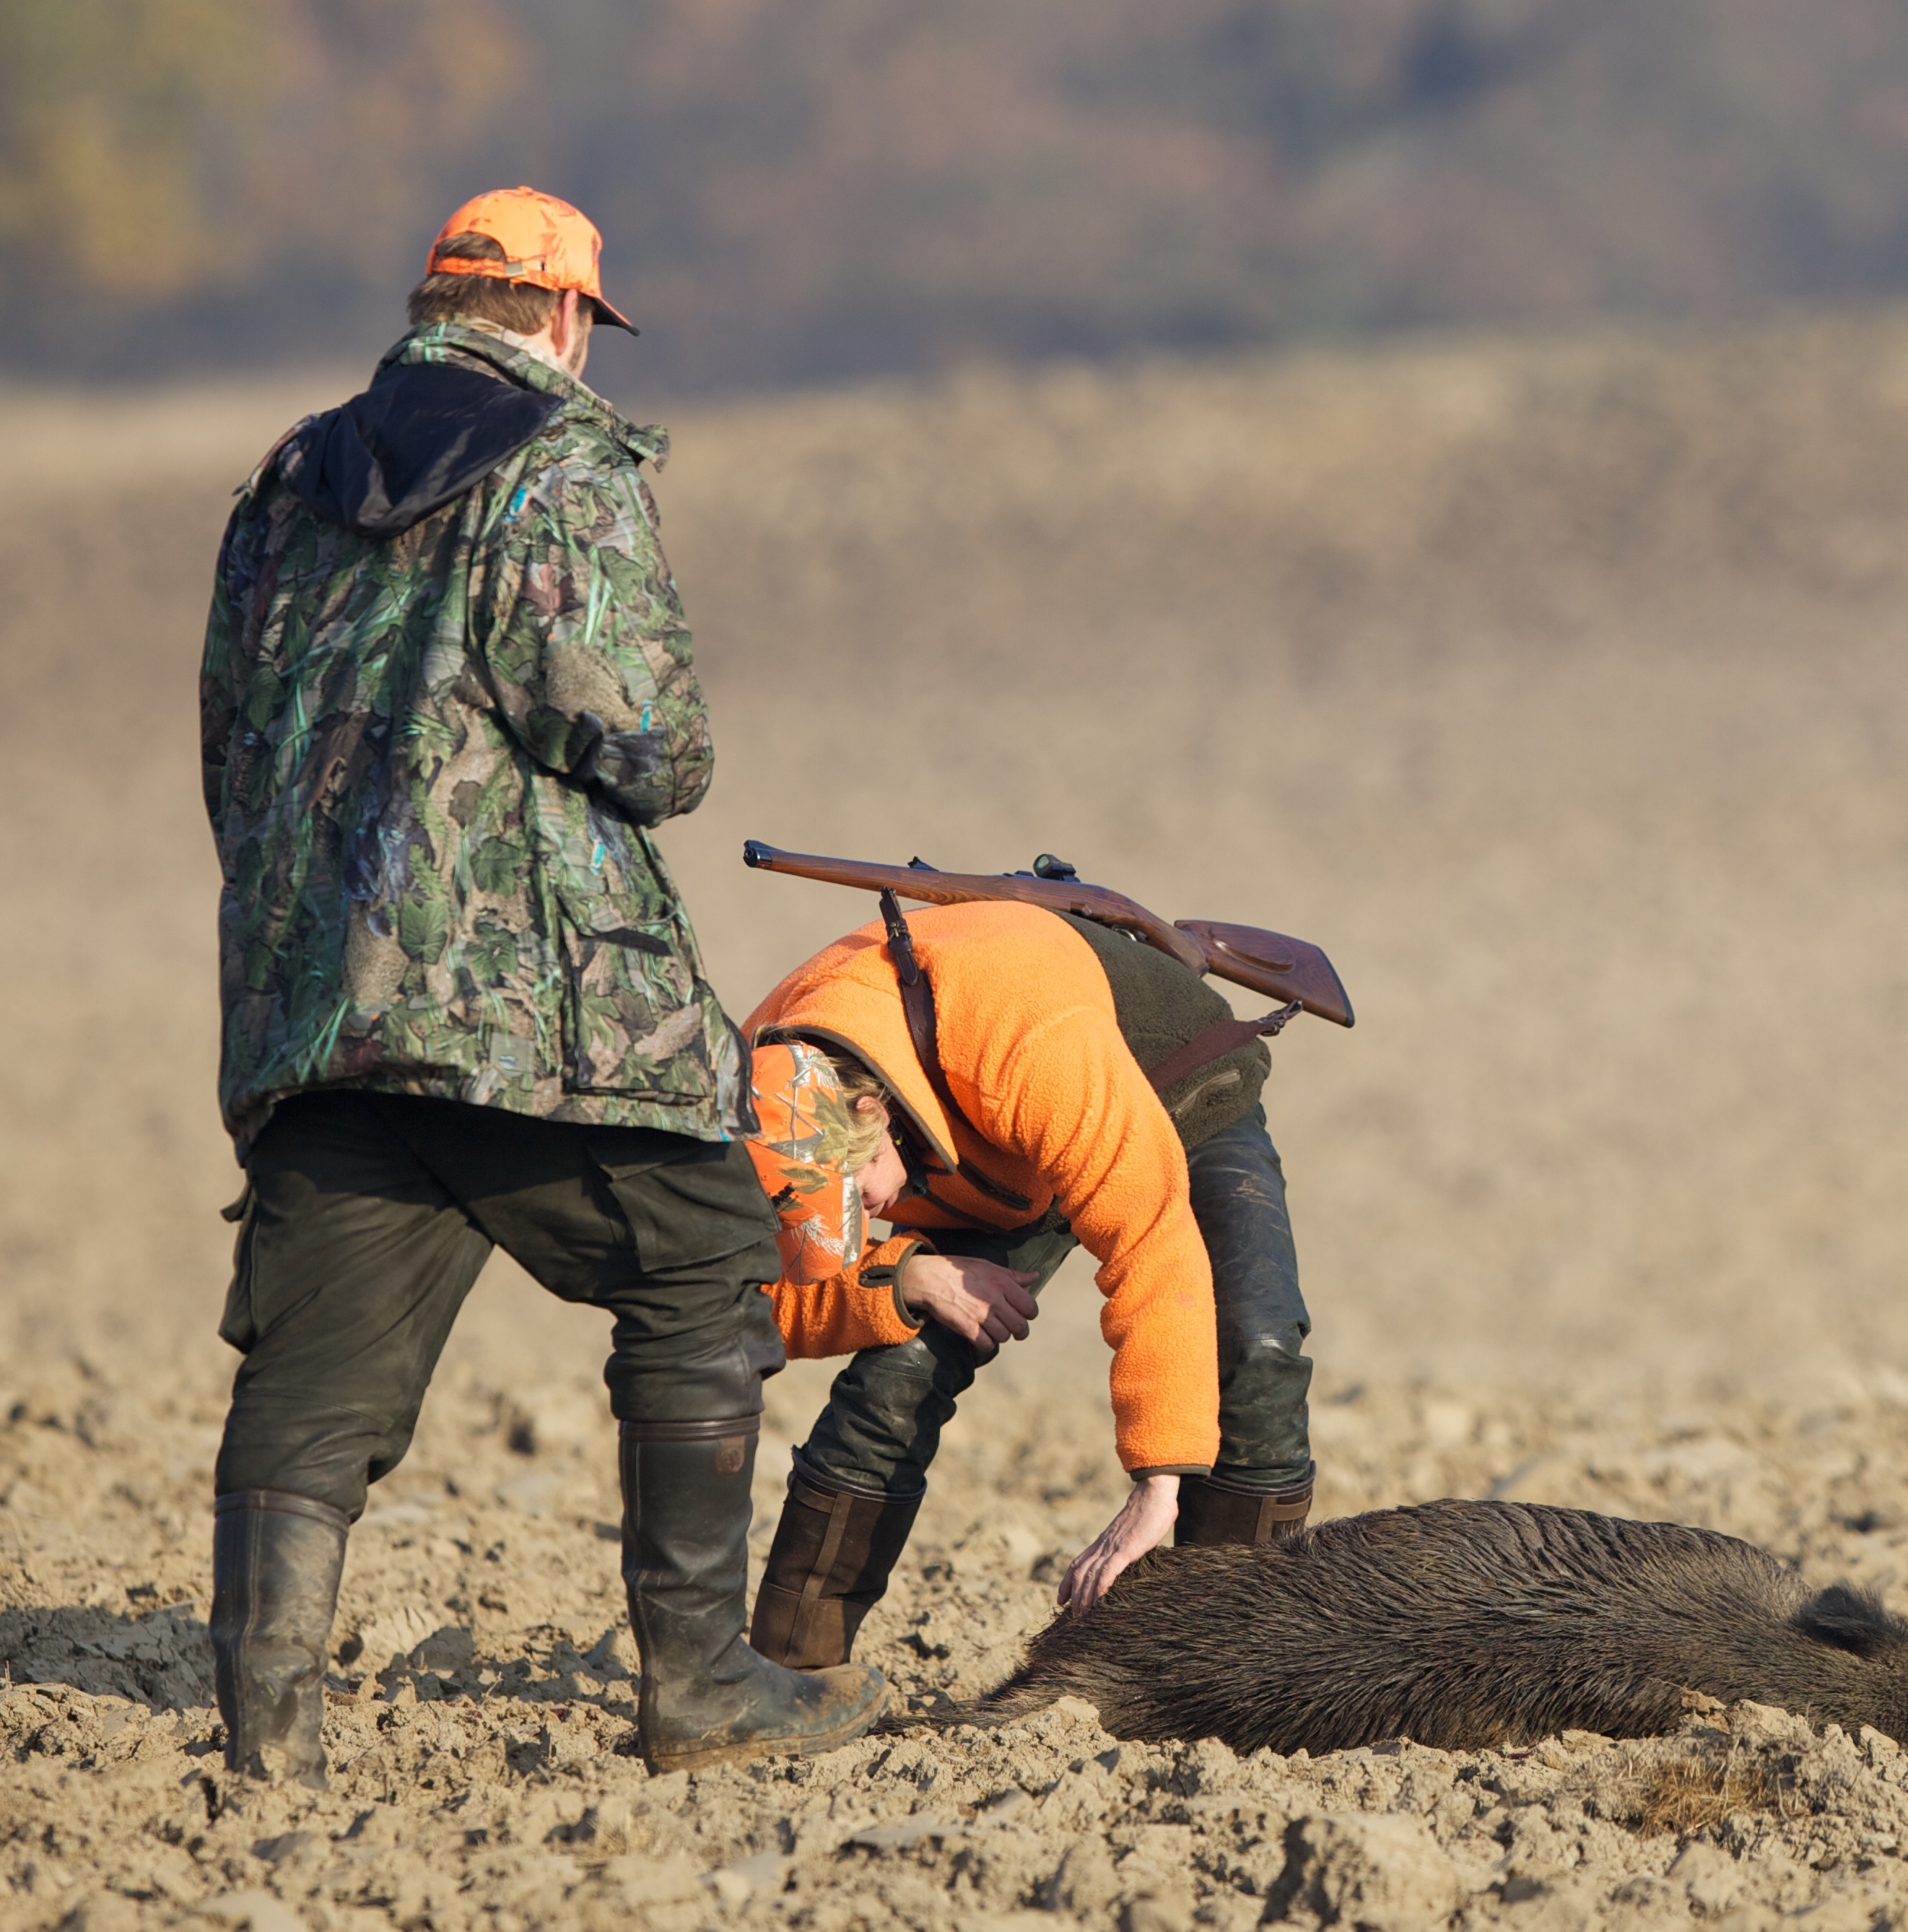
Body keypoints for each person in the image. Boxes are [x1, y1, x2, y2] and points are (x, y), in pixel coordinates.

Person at [196, 186, 883, 1785]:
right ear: (570, 318)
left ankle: (268, 1739)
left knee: (312, 1379)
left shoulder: (287, 479)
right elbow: (652, 745)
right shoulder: (565, 464)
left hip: (323, 1008)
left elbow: (231, 744)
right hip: (538, 1018)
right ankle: (700, 1687)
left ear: (434, 306)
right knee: (707, 1258)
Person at [732, 897, 1319, 1672]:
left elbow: (1151, 1241)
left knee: (1255, 1348)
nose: (865, 1215)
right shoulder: (756, 1093)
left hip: (1168, 1097)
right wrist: (903, 1275)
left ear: (871, 1110)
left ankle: (1230, 1673)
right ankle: (791, 1677)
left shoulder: (1024, 1040)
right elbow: (743, 1303)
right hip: (989, 1163)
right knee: (896, 1379)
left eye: (856, 1194)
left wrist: (1159, 1481)